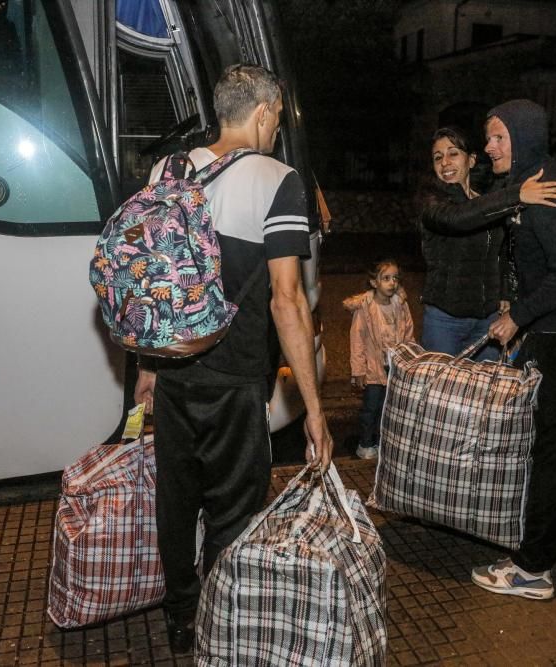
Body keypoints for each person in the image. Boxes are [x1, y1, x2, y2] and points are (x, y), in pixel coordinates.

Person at [133, 64, 334, 653]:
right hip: (237, 375)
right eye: (275, 119)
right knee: (233, 507)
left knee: (177, 498)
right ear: (265, 112)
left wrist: (146, 367)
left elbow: (153, 280)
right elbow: (288, 299)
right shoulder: (279, 180)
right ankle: (218, 622)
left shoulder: (165, 170)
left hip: (172, 370)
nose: (274, 130)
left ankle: (178, 618)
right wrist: (314, 408)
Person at [468, 99, 556, 600]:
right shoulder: (529, 180)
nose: (489, 146)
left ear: (523, 137)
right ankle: (530, 546)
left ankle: (533, 569)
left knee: (547, 446)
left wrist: (520, 317)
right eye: (489, 136)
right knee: (539, 442)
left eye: (499, 137)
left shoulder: (546, 191)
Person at [419, 125, 556, 360]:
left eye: (453, 153)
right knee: (441, 394)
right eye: (438, 157)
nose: (445, 162)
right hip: (445, 322)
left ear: (471, 160)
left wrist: (506, 293)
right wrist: (516, 195)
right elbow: (459, 218)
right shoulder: (432, 202)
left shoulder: (486, 203)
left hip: (487, 321)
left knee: (485, 394)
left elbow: (500, 254)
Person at [344, 259, 415, 460]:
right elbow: (356, 340)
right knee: (371, 408)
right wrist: (358, 370)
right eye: (386, 278)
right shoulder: (365, 308)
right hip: (373, 369)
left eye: (395, 278)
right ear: (374, 283)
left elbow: (409, 334)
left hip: (395, 369)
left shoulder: (400, 305)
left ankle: (383, 443)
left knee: (390, 409)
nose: (392, 283)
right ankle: (365, 444)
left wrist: (410, 360)